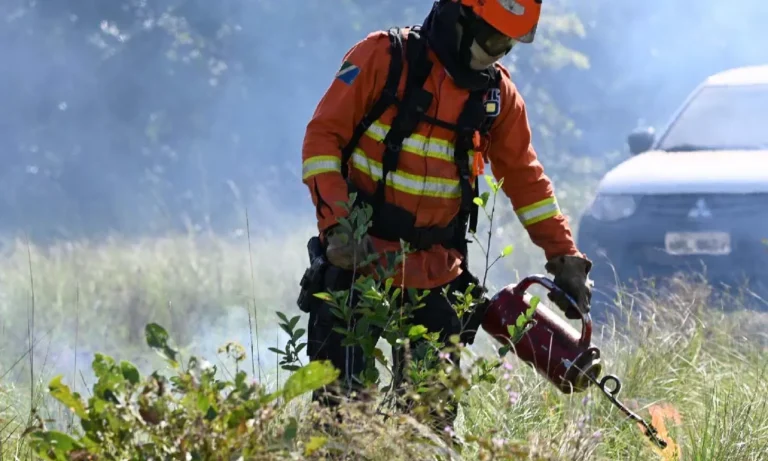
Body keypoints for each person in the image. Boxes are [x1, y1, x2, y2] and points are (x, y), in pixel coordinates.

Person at [298, 0, 593, 430]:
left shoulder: (498, 98)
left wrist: (564, 256)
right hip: (358, 268)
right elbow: (321, 139)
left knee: (428, 428)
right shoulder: (382, 57)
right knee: (342, 423)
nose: (498, 53)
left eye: (509, 44)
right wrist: (338, 225)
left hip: (437, 277)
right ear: (459, 17)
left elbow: (527, 180)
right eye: (493, 37)